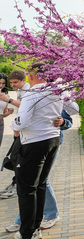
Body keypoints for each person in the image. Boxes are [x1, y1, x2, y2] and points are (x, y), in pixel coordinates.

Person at [0, 65, 62, 239]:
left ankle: (26, 236)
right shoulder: (57, 90)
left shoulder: (32, 93)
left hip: (34, 142)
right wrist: (60, 119)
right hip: (52, 139)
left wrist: (14, 124)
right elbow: (73, 108)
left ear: (32, 75)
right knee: (40, 184)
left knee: (26, 189)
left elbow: (23, 121)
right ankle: (33, 229)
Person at [6, 108, 76, 234]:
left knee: (40, 181)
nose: (13, 86)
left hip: (48, 144)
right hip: (28, 143)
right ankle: (26, 221)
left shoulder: (52, 96)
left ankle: (49, 215)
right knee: (32, 183)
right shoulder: (28, 94)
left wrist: (62, 122)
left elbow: (69, 121)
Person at [0, 70, 32, 200]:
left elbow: (26, 107)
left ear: (24, 80)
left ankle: (19, 184)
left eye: (15, 82)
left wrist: (9, 101)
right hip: (20, 128)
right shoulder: (20, 90)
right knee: (15, 158)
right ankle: (17, 183)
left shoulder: (28, 91)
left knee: (16, 158)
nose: (11, 85)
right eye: (11, 83)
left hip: (27, 131)